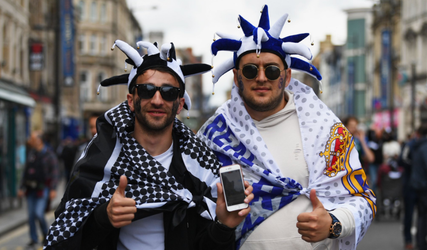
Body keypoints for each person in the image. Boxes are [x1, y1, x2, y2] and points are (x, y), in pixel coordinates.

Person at [44, 40, 253, 250]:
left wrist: (224, 226)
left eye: (169, 92)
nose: (157, 100)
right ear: (131, 100)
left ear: (180, 104)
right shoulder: (100, 160)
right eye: (146, 90)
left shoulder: (201, 169)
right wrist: (103, 216)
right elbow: (63, 239)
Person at [197, 5, 376, 250]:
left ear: (287, 76)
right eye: (250, 70)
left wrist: (334, 223)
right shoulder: (214, 136)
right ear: (237, 77)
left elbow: (363, 198)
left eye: (271, 70)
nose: (261, 78)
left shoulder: (323, 129)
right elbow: (193, 216)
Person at [18, 131, 59, 247]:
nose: (30, 141)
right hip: (30, 189)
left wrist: (53, 189)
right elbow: (25, 172)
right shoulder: (31, 154)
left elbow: (55, 173)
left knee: (39, 214)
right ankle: (34, 239)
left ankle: (46, 236)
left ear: (39, 140)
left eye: (32, 139)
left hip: (43, 189)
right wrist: (21, 187)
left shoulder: (49, 155)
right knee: (31, 216)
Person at [409, 124, 427, 250]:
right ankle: (421, 243)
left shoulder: (417, 145)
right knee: (424, 216)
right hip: (424, 186)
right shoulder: (425, 147)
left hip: (418, 184)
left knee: (422, 215)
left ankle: (420, 242)